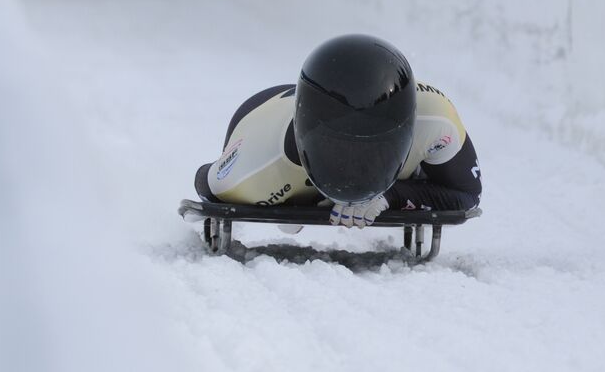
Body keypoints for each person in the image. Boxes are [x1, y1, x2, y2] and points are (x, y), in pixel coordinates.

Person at [195, 34, 481, 228]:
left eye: (375, 148)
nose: (356, 170)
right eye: (340, 149)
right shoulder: (253, 168)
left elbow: (468, 193)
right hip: (265, 115)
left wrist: (392, 195)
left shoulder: (436, 119)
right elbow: (208, 183)